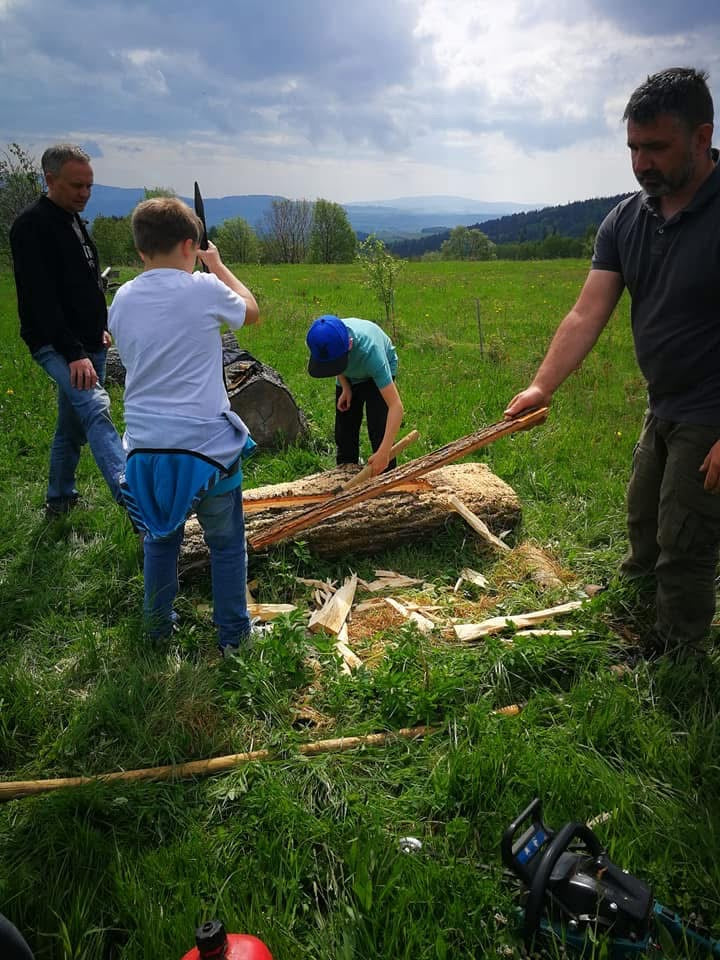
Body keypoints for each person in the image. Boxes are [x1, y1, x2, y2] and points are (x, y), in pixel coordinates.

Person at [505, 67, 720, 659]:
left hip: (712, 409)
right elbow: (585, 313)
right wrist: (541, 386)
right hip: (664, 401)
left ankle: (678, 658)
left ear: (702, 138)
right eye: (633, 147)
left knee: (685, 535)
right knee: (644, 516)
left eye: (657, 147)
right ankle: (632, 607)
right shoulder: (627, 220)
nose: (642, 163)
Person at [108, 198, 260, 656]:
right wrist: (217, 267)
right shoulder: (203, 288)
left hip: (145, 450)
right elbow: (251, 311)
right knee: (227, 545)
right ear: (191, 245)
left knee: (160, 541)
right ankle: (233, 637)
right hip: (205, 449)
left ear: (140, 251)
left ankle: (156, 632)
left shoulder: (123, 296)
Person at [9, 143, 125, 515]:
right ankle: (136, 501)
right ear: (50, 179)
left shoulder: (72, 218)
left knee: (71, 427)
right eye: (77, 186)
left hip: (90, 340)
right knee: (96, 408)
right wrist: (74, 353)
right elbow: (41, 300)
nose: (85, 194)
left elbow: (83, 283)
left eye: (89, 186)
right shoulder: (31, 227)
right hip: (57, 345)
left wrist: (99, 328)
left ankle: (59, 499)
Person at [306, 314, 403, 475]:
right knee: (345, 429)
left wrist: (384, 452)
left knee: (379, 426)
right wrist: (345, 387)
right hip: (350, 375)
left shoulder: (371, 353)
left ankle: (388, 476)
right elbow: (336, 366)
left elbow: (396, 406)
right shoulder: (323, 339)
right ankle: (345, 474)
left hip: (374, 373)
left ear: (349, 346)